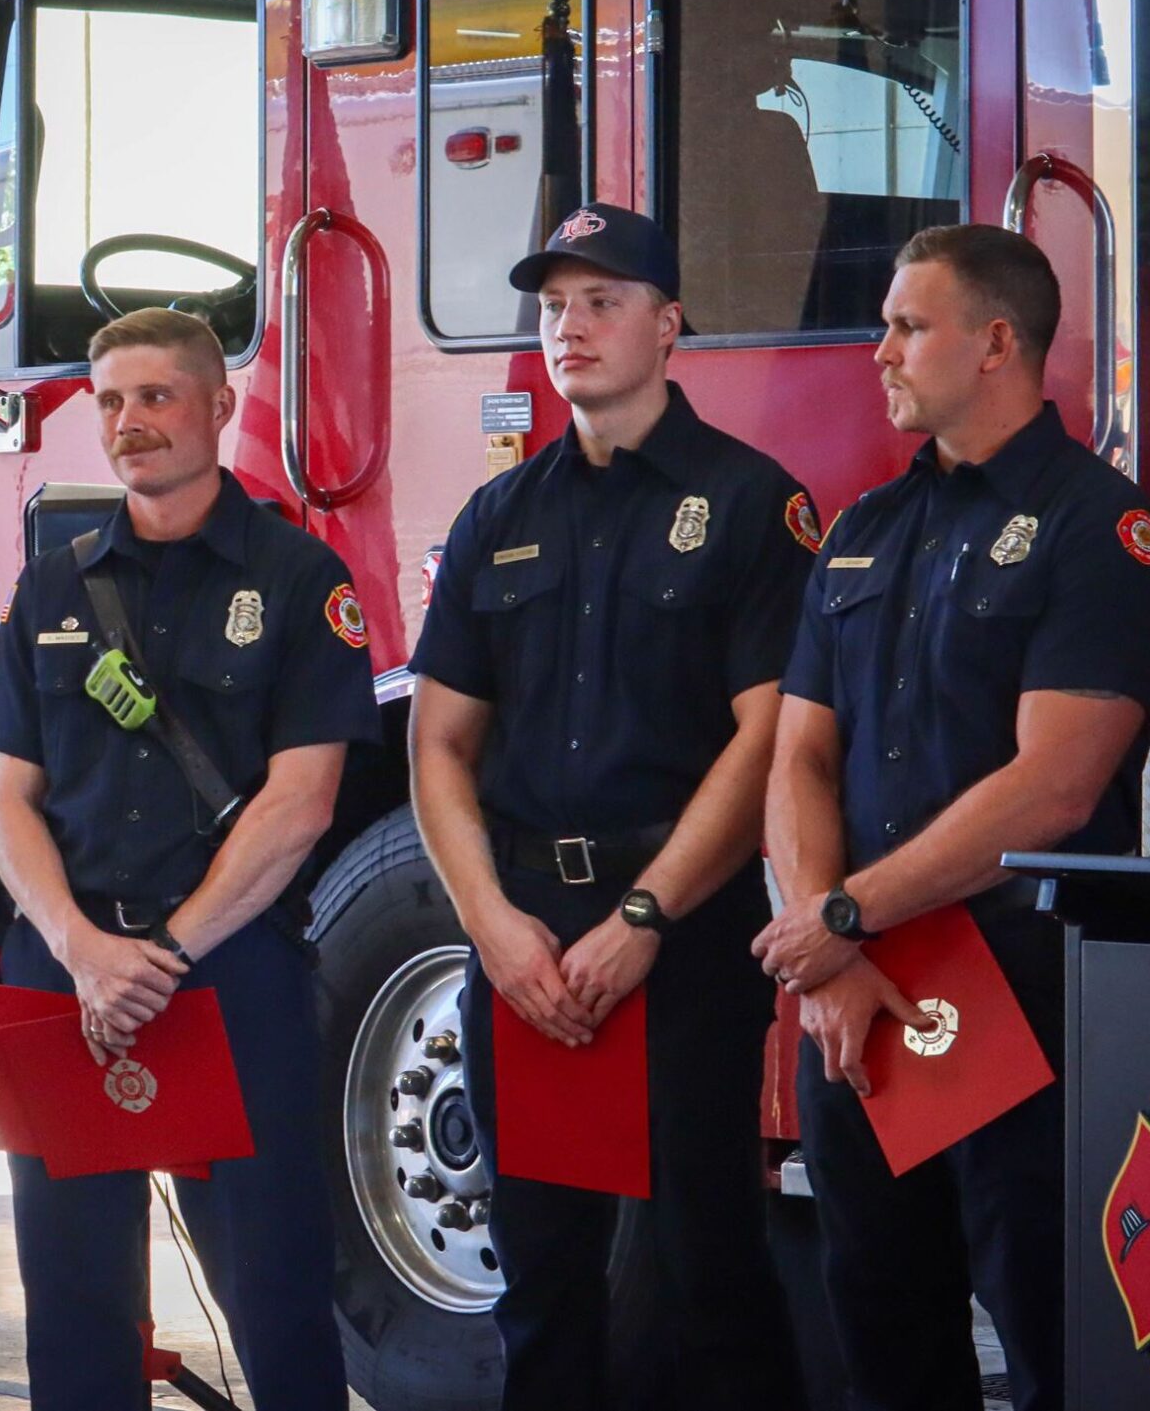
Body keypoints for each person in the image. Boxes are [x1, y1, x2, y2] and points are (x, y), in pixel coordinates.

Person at [755, 223, 1150, 1411]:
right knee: (881, 1327)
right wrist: (824, 942)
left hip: (1019, 976)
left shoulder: (1101, 528)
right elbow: (797, 756)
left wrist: (846, 911)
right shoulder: (861, 530)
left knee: (1048, 1323)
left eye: (907, 325)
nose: (878, 351)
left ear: (996, 342)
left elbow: (1054, 783)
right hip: (858, 989)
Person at [407, 203, 812, 1410]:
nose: (568, 328)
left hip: (676, 938)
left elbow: (768, 738)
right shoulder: (500, 516)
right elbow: (437, 742)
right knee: (539, 1277)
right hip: (525, 940)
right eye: (551, 308)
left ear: (668, 322)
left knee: (706, 1271)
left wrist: (644, 915)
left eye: (601, 301)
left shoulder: (749, 503)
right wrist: (492, 927)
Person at [0, 307, 374, 1407]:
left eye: (155, 396)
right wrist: (80, 947)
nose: (130, 423)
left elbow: (302, 801)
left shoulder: (298, 579)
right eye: (109, 400)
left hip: (228, 967)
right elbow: (6, 799)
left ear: (218, 405)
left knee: (275, 1284)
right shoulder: (51, 586)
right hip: (68, 967)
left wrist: (166, 952)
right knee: (73, 1296)